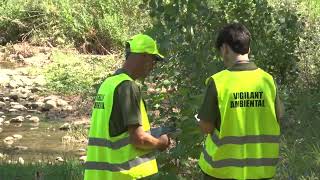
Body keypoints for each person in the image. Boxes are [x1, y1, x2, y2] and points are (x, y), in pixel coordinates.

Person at [197, 23, 283, 180]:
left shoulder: (218, 82)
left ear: (225, 48)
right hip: (260, 171)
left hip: (221, 172)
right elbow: (278, 118)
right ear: (248, 49)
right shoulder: (267, 81)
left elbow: (206, 127)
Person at [84, 34, 171, 180]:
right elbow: (138, 139)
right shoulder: (128, 86)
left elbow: (115, 131)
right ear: (144, 56)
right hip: (124, 174)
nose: (153, 66)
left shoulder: (108, 84)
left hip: (100, 175)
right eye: (153, 60)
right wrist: (160, 143)